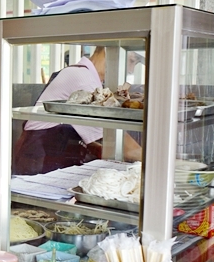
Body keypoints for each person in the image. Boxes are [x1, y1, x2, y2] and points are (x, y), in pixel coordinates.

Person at [13, 46, 140, 175]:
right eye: (131, 61)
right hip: (37, 160)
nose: (130, 70)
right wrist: (149, 160)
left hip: (45, 157)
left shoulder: (85, 75)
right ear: (108, 51)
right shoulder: (83, 78)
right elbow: (118, 140)